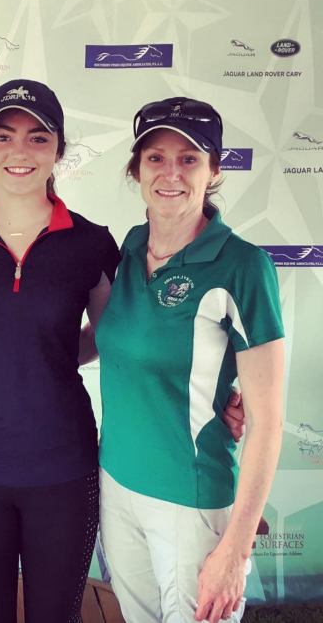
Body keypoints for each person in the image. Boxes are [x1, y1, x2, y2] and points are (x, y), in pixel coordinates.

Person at [0, 79, 122, 623]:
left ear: (58, 150)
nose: (19, 151)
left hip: (64, 467)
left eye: (38, 138)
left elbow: (115, 338)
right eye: (3, 135)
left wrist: (48, 356)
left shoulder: (92, 243)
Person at [95, 97, 284, 623]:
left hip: (191, 498)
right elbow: (110, 340)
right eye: (155, 158)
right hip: (117, 484)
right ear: (137, 169)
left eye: (189, 158)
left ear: (214, 169)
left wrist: (235, 550)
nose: (170, 172)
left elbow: (267, 423)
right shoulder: (132, 245)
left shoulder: (244, 265)